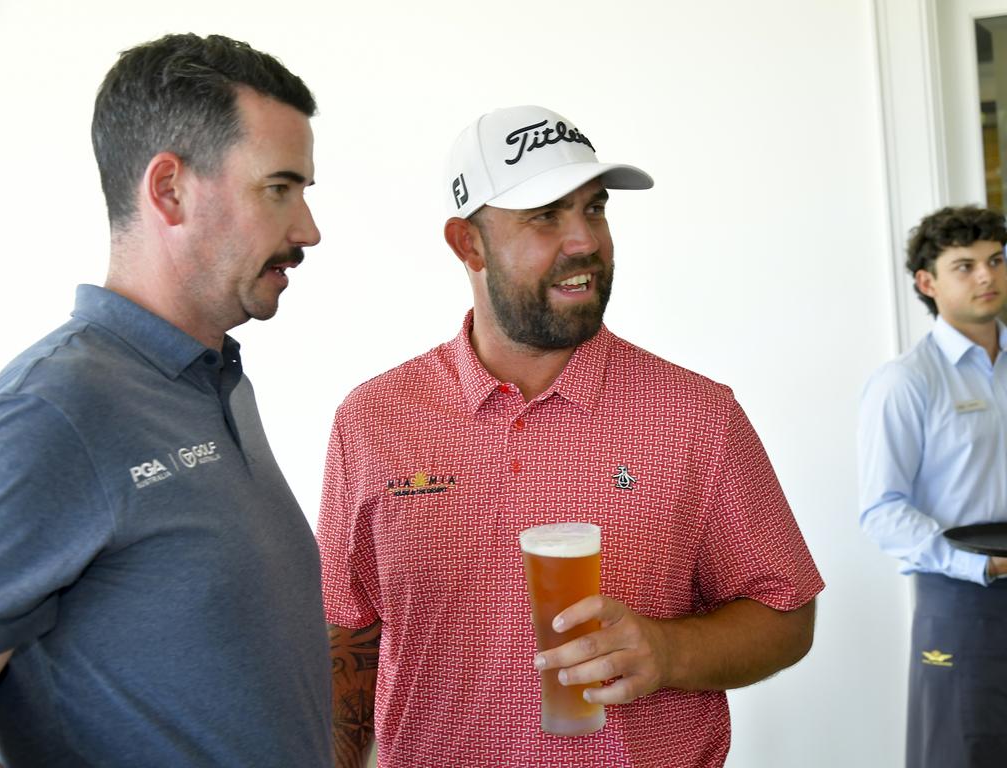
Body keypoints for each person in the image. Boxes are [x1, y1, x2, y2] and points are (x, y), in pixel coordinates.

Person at [317, 104, 823, 768]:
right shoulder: (374, 419)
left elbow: (786, 613)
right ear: (468, 245)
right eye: (546, 216)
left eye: (595, 209)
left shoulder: (699, 416)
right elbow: (345, 631)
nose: (585, 241)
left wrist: (669, 653)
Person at [0, 34, 332, 767]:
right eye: (279, 187)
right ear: (169, 188)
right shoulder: (52, 411)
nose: (307, 230)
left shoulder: (218, 380)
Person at [858, 205, 1007, 768]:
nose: (987, 276)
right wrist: (986, 567)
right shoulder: (905, 382)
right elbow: (882, 510)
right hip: (960, 599)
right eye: (964, 266)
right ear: (928, 283)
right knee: (960, 752)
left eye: (996, 260)